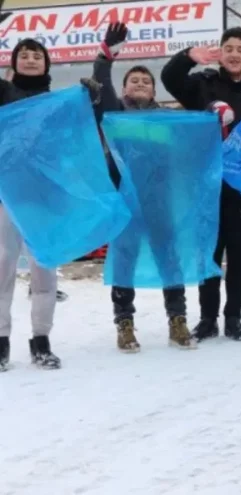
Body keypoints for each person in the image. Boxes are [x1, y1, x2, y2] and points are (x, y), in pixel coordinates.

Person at [161, 27, 241, 342]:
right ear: (221, 53)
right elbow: (170, 79)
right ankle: (208, 319)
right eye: (229, 48)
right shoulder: (203, 84)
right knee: (209, 254)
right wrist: (187, 58)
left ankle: (234, 318)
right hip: (206, 185)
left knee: (239, 255)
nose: (235, 54)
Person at [0, 39, 102, 370]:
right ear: (13, 63)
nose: (30, 60)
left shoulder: (59, 102)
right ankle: (1, 343)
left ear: (47, 64)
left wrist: (91, 97)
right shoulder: (2, 93)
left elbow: (83, 133)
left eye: (37, 56)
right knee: (2, 270)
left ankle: (41, 340)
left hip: (44, 198)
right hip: (6, 199)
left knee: (44, 271)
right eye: (24, 56)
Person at [93, 22, 194, 352]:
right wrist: (106, 55)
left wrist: (215, 115)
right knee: (124, 258)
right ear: (125, 89)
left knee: (169, 258)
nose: (140, 83)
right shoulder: (115, 112)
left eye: (145, 81)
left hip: (158, 200)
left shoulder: (167, 119)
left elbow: (196, 132)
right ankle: (124, 323)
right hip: (125, 202)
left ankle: (177, 320)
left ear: (153, 91)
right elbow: (102, 80)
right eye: (134, 80)